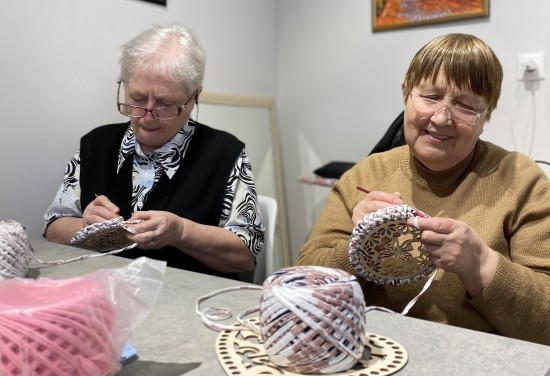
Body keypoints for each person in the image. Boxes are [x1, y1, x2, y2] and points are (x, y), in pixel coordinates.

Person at [296, 33, 550, 345]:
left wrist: (482, 265)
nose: (442, 117)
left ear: (485, 117)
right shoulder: (367, 174)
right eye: (430, 97)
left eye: (466, 106)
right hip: (374, 355)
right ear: (406, 93)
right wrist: (362, 248)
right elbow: (304, 288)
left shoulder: (522, 182)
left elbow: (545, 322)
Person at [44, 24, 264, 280]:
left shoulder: (225, 154)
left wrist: (182, 232)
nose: (147, 116)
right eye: (137, 98)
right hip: (102, 293)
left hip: (188, 302)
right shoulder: (96, 144)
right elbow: (53, 229)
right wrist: (85, 226)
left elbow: (246, 254)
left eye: (165, 104)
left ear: (194, 97)